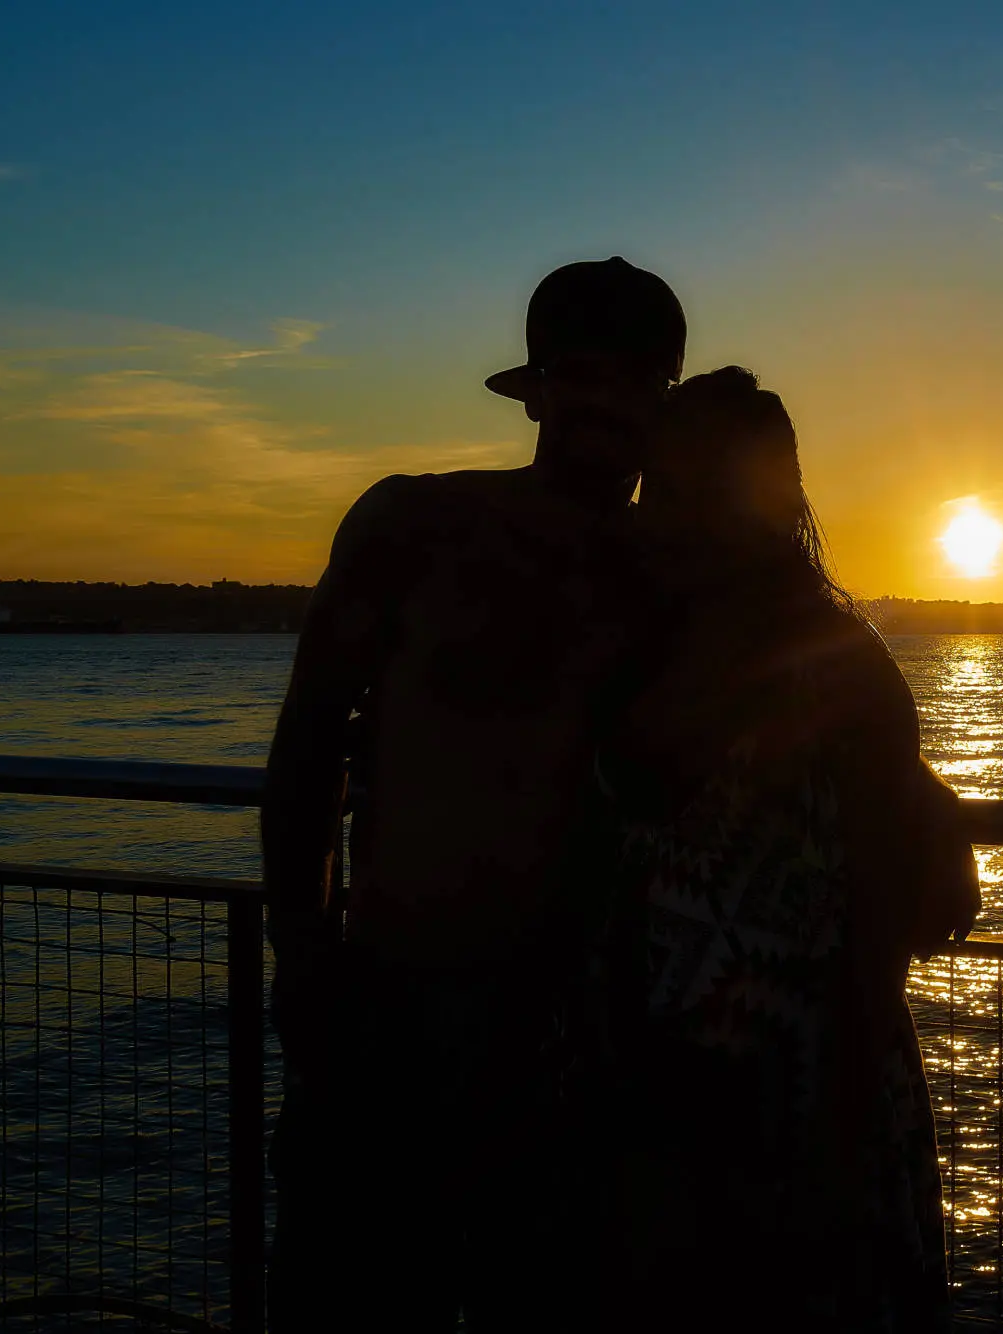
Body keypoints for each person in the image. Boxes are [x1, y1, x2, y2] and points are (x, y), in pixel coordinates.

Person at [259, 257, 685, 1331]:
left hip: (578, 1050)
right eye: (576, 374)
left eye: (628, 381)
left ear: (660, 405)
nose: (597, 401)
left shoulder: (671, 577)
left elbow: (803, 695)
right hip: (390, 1011)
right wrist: (303, 954)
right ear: (533, 389)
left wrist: (912, 787)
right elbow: (306, 746)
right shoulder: (413, 526)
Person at [570, 367, 979, 1332]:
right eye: (657, 487)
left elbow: (875, 943)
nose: (656, 514)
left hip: (800, 1102)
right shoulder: (645, 642)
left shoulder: (834, 667)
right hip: (657, 1095)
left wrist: (830, 1147)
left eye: (686, 489)